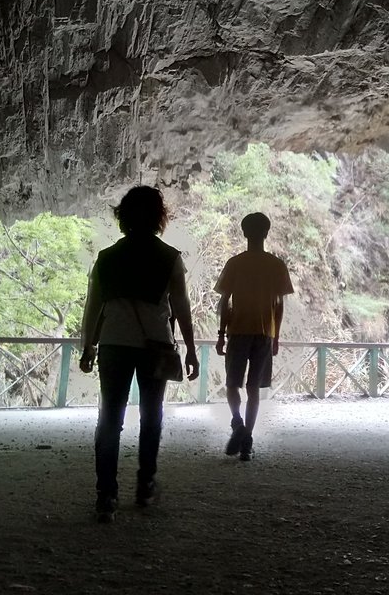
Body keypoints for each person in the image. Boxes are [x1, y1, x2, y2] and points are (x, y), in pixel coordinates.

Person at [79, 186, 199, 522]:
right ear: (159, 215)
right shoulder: (169, 257)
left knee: (110, 418)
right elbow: (182, 307)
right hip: (155, 347)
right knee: (152, 415)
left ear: (123, 215)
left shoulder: (107, 258)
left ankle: (106, 495)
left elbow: (94, 307)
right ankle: (145, 484)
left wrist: (88, 345)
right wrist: (190, 348)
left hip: (114, 344)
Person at [215, 212, 293, 461]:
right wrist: (276, 336)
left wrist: (220, 333)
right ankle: (247, 439)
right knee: (253, 389)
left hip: (237, 331)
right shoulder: (276, 265)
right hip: (264, 333)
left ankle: (237, 425)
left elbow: (224, 302)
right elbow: (279, 305)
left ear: (244, 232)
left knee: (232, 385)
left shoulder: (235, 263)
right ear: (267, 233)